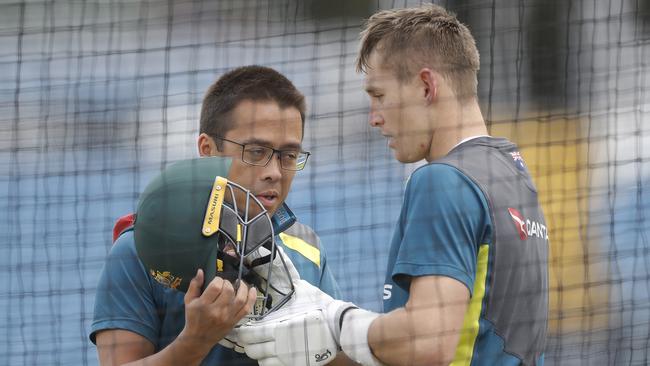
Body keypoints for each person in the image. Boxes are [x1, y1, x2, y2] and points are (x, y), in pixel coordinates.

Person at [236, 4, 549, 366]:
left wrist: (337, 324)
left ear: (426, 85)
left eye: (379, 96)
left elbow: (428, 344)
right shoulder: (511, 170)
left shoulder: (443, 180)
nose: (373, 118)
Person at [89, 65, 341, 365]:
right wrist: (195, 341)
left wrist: (331, 333)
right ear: (207, 150)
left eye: (289, 155)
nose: (274, 173)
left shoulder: (307, 246)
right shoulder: (139, 249)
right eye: (256, 152)